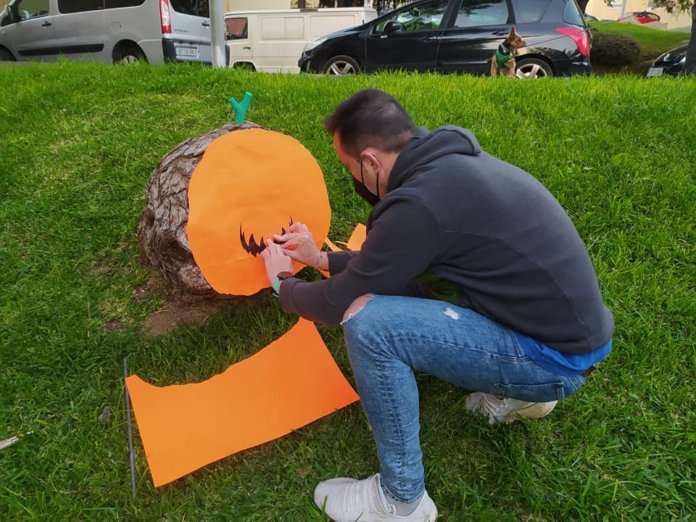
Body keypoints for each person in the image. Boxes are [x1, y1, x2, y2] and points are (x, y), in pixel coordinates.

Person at [260, 89, 614, 522]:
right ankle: (525, 398)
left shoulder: (419, 205)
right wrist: (320, 259)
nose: (350, 176)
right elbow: (387, 266)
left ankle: (400, 500)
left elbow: (339, 303)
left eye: (347, 167)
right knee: (409, 288)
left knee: (369, 323)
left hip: (552, 362)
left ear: (370, 162)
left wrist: (282, 283)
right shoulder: (446, 169)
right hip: (570, 343)